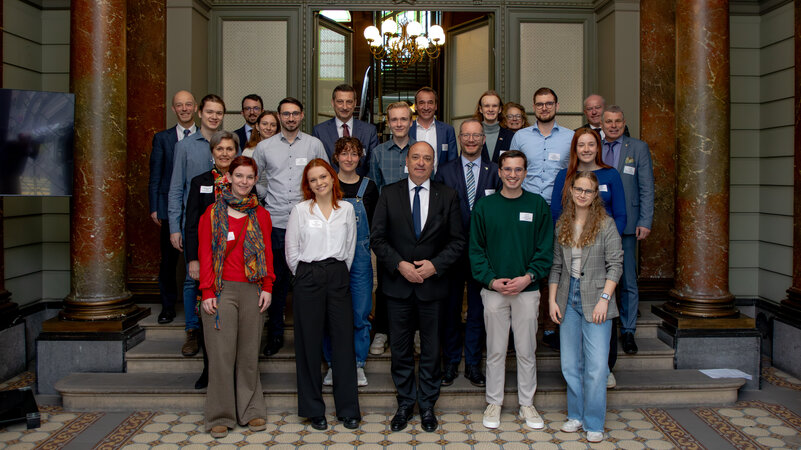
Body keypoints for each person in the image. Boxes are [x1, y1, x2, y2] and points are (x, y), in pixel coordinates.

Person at [371, 141, 465, 433]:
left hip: (433, 286)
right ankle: (404, 403)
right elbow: (378, 238)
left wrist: (435, 265)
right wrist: (399, 264)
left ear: (433, 163)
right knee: (399, 349)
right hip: (397, 286)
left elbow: (458, 241)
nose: (421, 163)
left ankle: (426, 405)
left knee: (430, 349)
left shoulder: (447, 195)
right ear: (407, 161)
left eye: (427, 158)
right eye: (416, 157)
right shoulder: (388, 194)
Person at [469, 150, 553, 431]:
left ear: (525, 173)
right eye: (508, 169)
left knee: (527, 350)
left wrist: (528, 277)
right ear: (500, 172)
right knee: (494, 350)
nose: (513, 175)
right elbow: (476, 250)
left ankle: (527, 403)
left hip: (526, 291)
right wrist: (491, 280)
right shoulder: (485, 206)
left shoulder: (538, 205)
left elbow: (545, 250)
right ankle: (494, 401)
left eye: (518, 170)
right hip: (493, 291)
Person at [198, 155, 275, 439]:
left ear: (256, 181)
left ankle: (252, 410)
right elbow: (205, 254)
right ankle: (220, 414)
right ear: (228, 177)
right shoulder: (211, 214)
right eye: (239, 176)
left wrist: (267, 286)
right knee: (221, 355)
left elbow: (267, 253)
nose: (244, 182)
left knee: (248, 354)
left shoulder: (261, 215)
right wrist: (207, 291)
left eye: (249, 177)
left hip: (253, 289)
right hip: (222, 290)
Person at [548, 171, 623, 443]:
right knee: (569, 364)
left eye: (588, 191)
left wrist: (605, 299)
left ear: (595, 196)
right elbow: (556, 267)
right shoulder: (562, 224)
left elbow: (616, 265)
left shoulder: (606, 225)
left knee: (596, 367)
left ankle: (593, 422)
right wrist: (552, 301)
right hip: (568, 299)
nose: (582, 194)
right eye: (578, 189)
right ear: (570, 192)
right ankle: (576, 415)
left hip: (597, 300)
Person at [285, 158, 361, 431]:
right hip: (308, 277)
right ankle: (312, 409)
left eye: (323, 177)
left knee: (343, 342)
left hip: (338, 275)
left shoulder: (347, 210)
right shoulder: (300, 211)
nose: (319, 183)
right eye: (313, 179)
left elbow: (350, 249)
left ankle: (348, 409)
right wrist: (307, 276)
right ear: (308, 184)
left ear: (332, 178)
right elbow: (292, 253)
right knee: (308, 344)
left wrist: (336, 273)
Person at [253, 97, 328, 357]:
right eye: (286, 114)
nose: (291, 118)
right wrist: (266, 196)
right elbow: (254, 177)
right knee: (276, 282)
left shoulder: (314, 144)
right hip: (275, 223)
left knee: (308, 283)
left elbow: (326, 179)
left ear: (302, 115)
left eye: (295, 113)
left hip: (308, 224)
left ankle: (308, 338)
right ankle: (275, 335)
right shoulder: (264, 147)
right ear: (279, 116)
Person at [433, 119, 500, 388]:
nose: (471, 140)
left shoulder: (495, 171)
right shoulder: (444, 171)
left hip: (483, 253)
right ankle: (450, 362)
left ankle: (472, 364)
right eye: (466, 136)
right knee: (449, 310)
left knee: (477, 310)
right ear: (460, 138)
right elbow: (437, 213)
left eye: (476, 136)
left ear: (484, 139)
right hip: (451, 252)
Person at [510, 87, 574, 351]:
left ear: (557, 105)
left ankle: (550, 326)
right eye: (539, 104)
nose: (544, 108)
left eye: (549, 104)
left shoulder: (571, 137)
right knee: (524, 264)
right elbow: (512, 169)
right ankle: (521, 328)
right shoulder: (520, 136)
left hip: (560, 210)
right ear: (533, 107)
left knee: (555, 267)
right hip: (527, 209)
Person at [168, 94, 226, 357]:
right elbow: (175, 189)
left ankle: (218, 326)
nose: (214, 116)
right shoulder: (186, 146)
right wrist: (175, 228)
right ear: (200, 113)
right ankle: (192, 331)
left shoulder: (228, 143)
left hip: (224, 228)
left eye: (219, 112)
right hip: (192, 225)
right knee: (193, 278)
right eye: (210, 112)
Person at [184, 130, 240, 389]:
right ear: (212, 152)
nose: (225, 153)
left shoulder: (242, 180)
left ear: (236, 152)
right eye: (220, 149)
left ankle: (233, 371)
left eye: (229, 149)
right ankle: (209, 369)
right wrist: (193, 259)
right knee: (209, 314)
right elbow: (192, 224)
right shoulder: (200, 182)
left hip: (237, 260)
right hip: (208, 259)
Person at [322, 137, 378, 388]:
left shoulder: (370, 187)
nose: (348, 159)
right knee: (330, 314)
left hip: (361, 259)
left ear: (360, 157)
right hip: (330, 257)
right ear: (336, 157)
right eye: (343, 153)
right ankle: (334, 365)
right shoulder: (326, 185)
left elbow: (376, 227)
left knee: (360, 313)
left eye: (354, 154)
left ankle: (357, 364)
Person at [600, 105, 654, 356]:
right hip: (598, 224)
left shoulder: (638, 148)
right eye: (608, 121)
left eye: (618, 121)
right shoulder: (593, 146)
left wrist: (645, 220)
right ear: (601, 123)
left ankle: (629, 329)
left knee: (628, 279)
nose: (613, 125)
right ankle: (604, 325)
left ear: (624, 122)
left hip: (629, 224)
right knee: (601, 277)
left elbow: (646, 187)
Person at [367, 101, 416, 356]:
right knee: (386, 280)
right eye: (394, 120)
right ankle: (383, 332)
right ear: (388, 122)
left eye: (403, 119)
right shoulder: (378, 153)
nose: (399, 124)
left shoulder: (419, 150)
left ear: (411, 122)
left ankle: (416, 330)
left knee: (417, 277)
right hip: (389, 224)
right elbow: (375, 189)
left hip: (418, 223)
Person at [149, 90, 197, 324]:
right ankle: (167, 307)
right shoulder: (162, 139)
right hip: (169, 208)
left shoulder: (208, 139)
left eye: (188, 104)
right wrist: (155, 207)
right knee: (168, 261)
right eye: (180, 105)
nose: (184, 108)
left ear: (196, 107)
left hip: (197, 209)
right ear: (173, 109)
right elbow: (155, 176)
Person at [551, 128, 626, 235]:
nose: (586, 149)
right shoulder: (563, 176)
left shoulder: (611, 174)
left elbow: (620, 215)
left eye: (591, 144)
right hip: (571, 238)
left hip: (604, 237)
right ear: (575, 149)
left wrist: (611, 240)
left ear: (598, 148)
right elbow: (555, 213)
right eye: (581, 145)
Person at [313, 84, 378, 175]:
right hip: (330, 187)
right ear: (333, 103)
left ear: (355, 103)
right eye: (340, 102)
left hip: (361, 186)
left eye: (349, 102)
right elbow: (317, 166)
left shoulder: (369, 131)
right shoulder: (319, 131)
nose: (344, 107)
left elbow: (373, 166)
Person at [409, 87, 457, 171]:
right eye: (421, 103)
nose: (426, 107)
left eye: (430, 103)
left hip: (440, 182)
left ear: (436, 106)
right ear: (416, 106)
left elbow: (453, 161)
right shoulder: (408, 129)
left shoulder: (447, 130)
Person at [474, 90, 515, 163]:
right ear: (480, 109)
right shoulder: (472, 136)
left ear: (499, 109)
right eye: (486, 106)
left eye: (494, 106)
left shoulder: (510, 136)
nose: (490, 109)